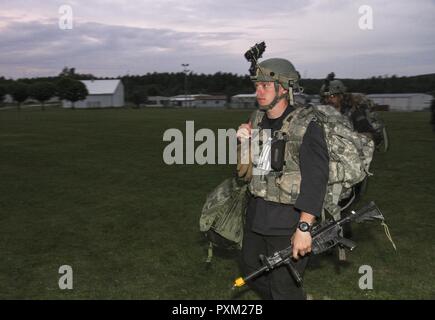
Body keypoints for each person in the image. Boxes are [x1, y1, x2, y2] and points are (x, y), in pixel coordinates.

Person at [236, 58, 329, 300]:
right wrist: (243, 144)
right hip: (257, 214)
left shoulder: (306, 125)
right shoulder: (256, 119)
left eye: (266, 85)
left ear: (284, 88)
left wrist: (304, 228)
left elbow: (316, 179)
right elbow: (250, 170)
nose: (259, 91)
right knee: (250, 271)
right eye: (257, 85)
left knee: (283, 287)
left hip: (288, 220)